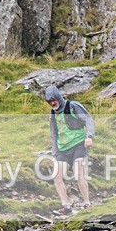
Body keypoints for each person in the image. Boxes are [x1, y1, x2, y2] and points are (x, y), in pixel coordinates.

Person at [45, 85, 94, 215]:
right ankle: (66, 206)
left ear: (58, 97)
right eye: (49, 102)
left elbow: (88, 119)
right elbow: (53, 133)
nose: (52, 103)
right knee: (57, 176)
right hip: (62, 150)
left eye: (54, 100)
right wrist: (55, 153)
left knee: (78, 175)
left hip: (79, 145)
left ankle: (87, 203)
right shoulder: (52, 114)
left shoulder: (72, 106)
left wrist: (89, 137)